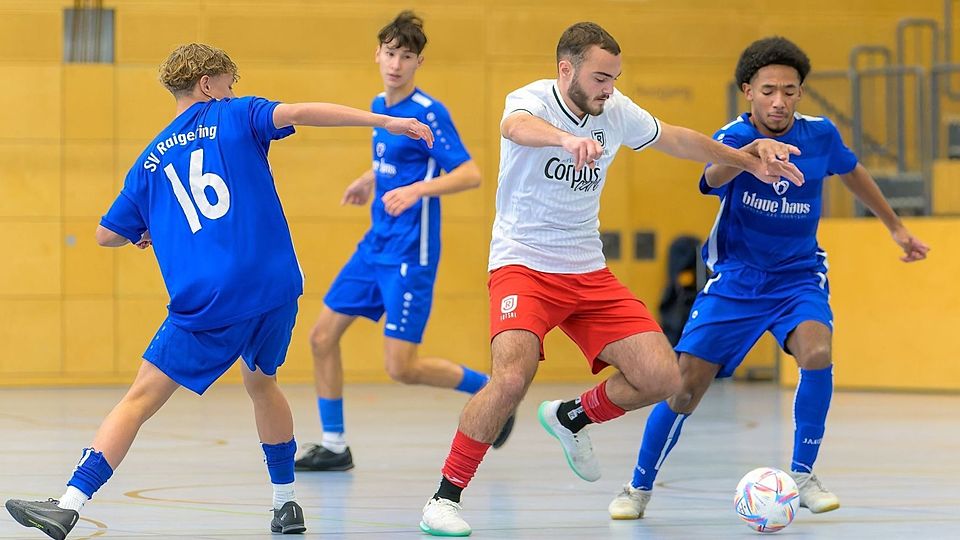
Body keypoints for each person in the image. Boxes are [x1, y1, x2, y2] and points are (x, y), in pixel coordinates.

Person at [3, 43, 433, 540]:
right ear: (208, 84)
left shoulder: (148, 163)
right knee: (262, 383)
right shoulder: (239, 116)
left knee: (139, 398)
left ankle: (69, 503)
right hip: (275, 289)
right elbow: (302, 111)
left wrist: (143, 231)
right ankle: (286, 504)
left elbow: (106, 234)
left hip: (209, 300)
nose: (236, 91)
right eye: (231, 82)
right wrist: (383, 122)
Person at [418, 23, 806, 537]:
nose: (608, 88)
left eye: (614, 78)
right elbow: (515, 127)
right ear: (567, 70)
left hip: (587, 271)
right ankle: (445, 497)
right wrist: (564, 138)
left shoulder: (616, 110)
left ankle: (573, 417)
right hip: (524, 264)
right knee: (511, 377)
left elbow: (679, 140)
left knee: (663, 377)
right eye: (600, 77)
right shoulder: (532, 99)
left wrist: (749, 160)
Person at [607, 36, 930, 521]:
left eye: (789, 90)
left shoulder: (819, 135)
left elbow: (853, 171)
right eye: (768, 90)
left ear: (800, 93)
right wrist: (748, 156)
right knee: (684, 386)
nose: (779, 100)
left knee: (817, 351)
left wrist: (896, 227)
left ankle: (802, 474)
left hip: (798, 277)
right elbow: (711, 177)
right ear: (748, 92)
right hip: (736, 280)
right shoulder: (734, 137)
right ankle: (637, 487)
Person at [295, 11, 513, 473]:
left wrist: (416, 191)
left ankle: (491, 391)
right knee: (320, 337)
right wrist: (368, 178)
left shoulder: (430, 113)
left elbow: (469, 174)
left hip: (410, 253)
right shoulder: (379, 106)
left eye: (407, 56)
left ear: (418, 63)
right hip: (373, 245)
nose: (396, 63)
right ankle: (334, 445)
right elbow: (395, 161)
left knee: (401, 368)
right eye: (390, 53)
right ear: (377, 54)